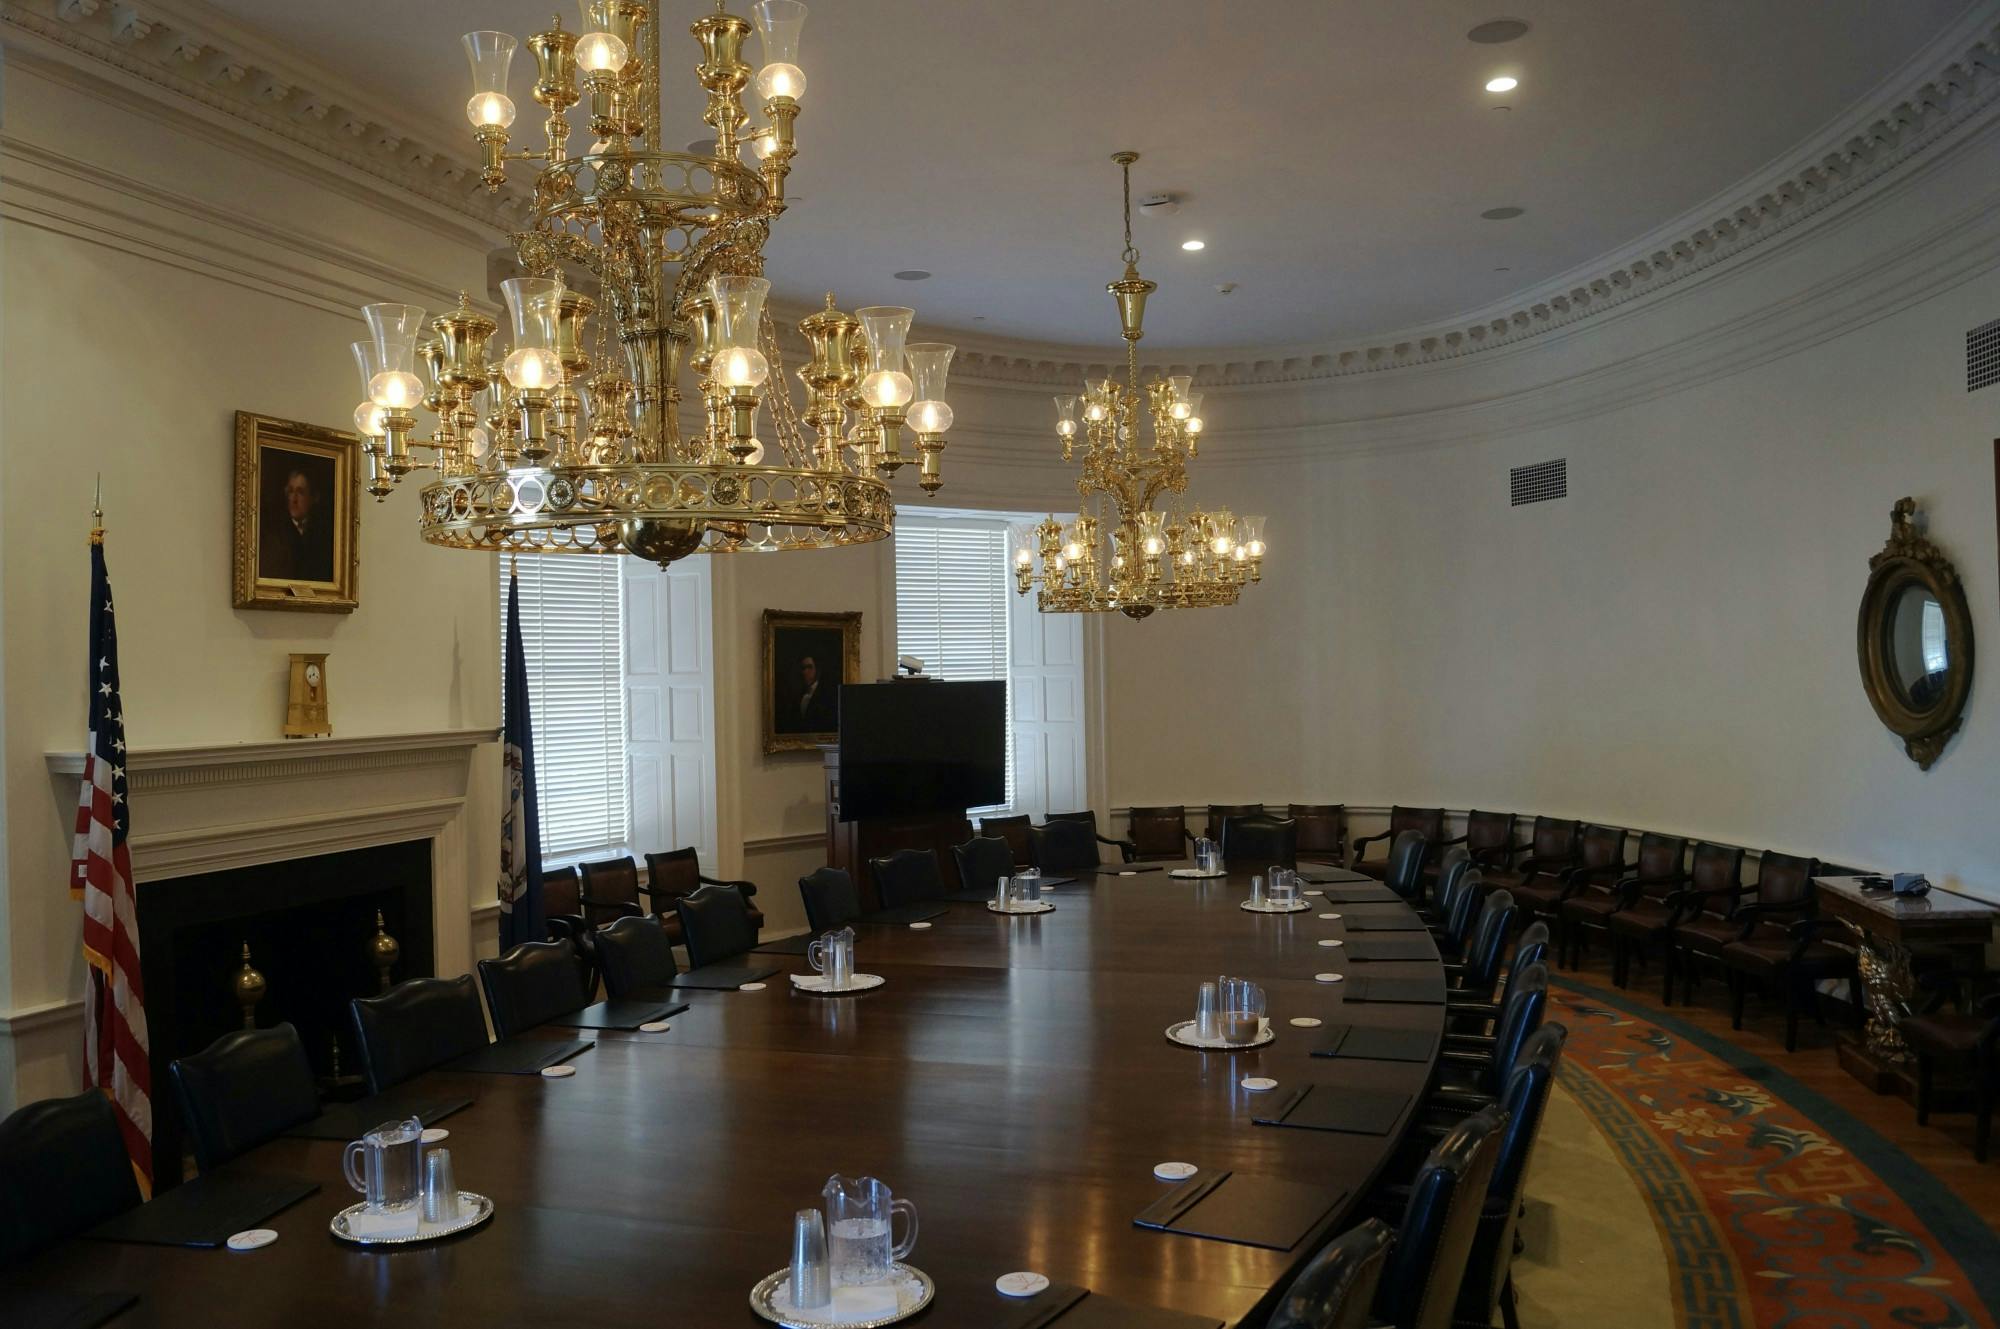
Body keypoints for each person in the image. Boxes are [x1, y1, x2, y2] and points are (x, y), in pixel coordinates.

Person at [260, 465, 334, 582]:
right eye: (290, 492)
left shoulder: (324, 534)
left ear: (314, 497)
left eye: (300, 492)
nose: (294, 499)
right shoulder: (275, 534)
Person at [792, 653, 837, 731]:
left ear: (818, 670)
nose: (805, 672)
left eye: (809, 667)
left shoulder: (828, 695)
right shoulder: (798, 695)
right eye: (803, 668)